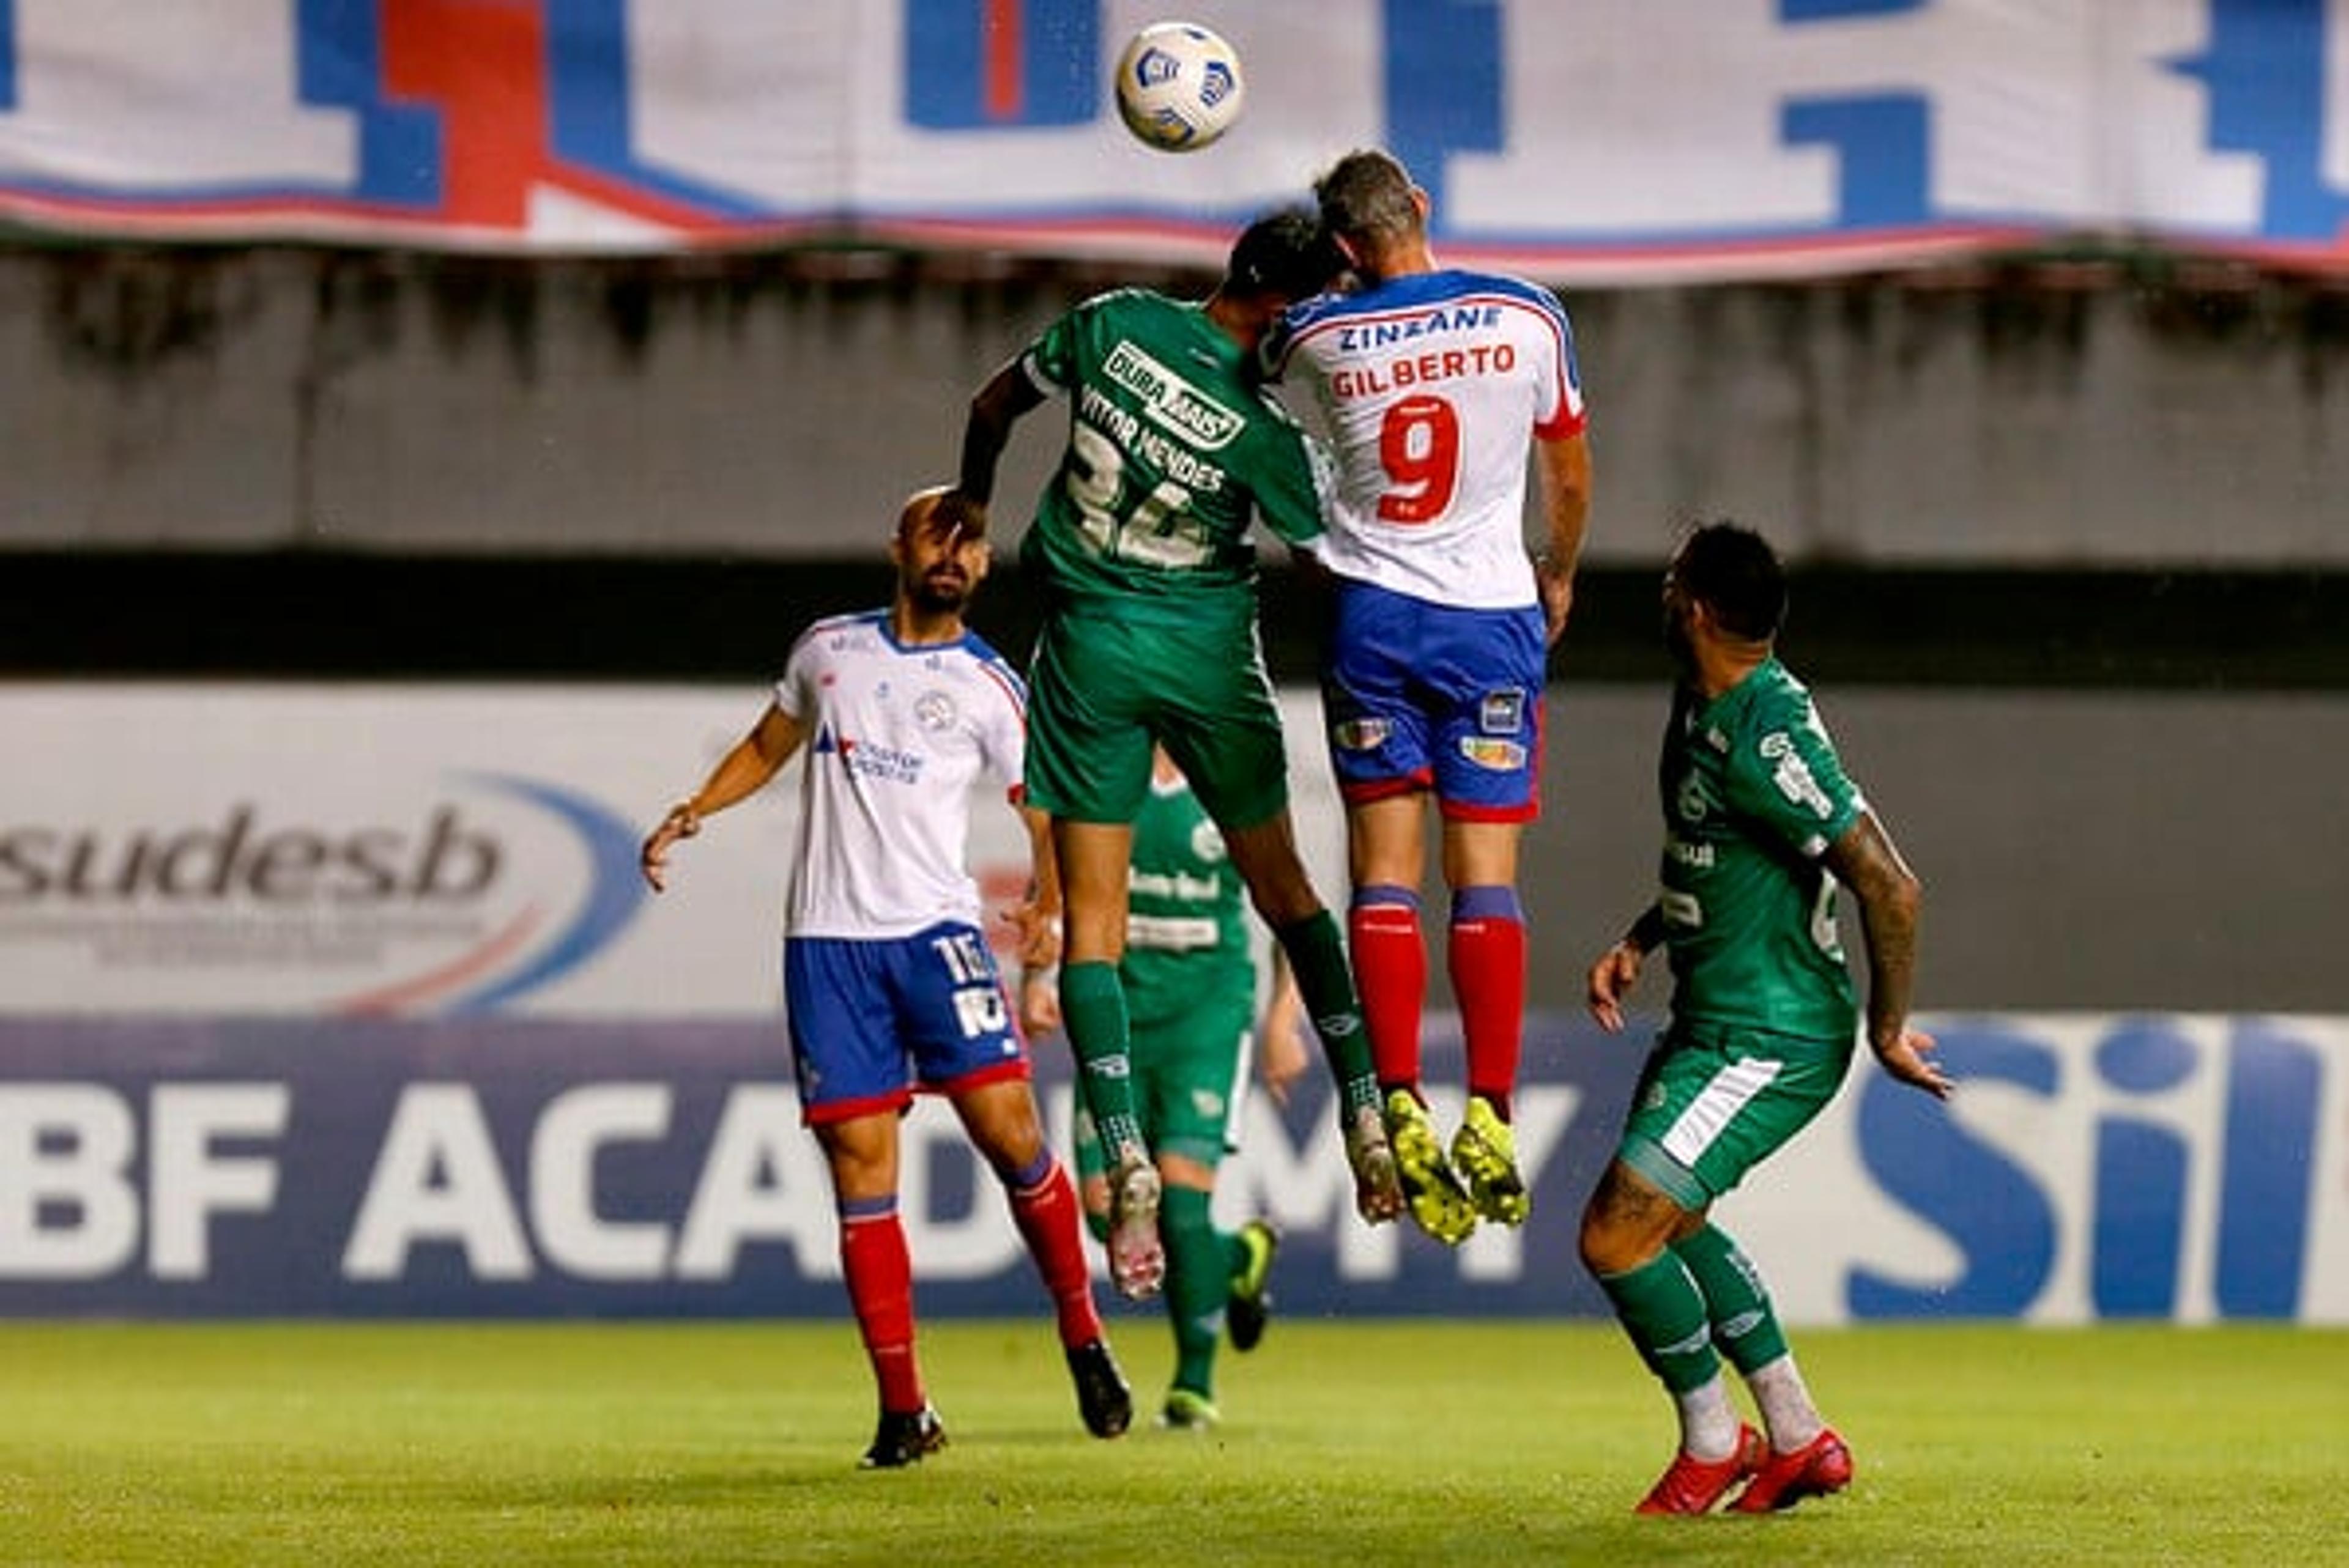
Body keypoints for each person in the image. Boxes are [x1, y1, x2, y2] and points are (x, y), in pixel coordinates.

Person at [952, 207, 1403, 1303]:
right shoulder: (1263, 432)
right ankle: (1366, 1106)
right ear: (1287, 307)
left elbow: (992, 404)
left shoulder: (1113, 324)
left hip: (1090, 650)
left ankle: (1122, 1146)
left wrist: (973, 501)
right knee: (1290, 892)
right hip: (1205, 660)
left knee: (1092, 931)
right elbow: (1331, 555)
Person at [636, 486, 1132, 1470]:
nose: (953, 552)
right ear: (897, 546)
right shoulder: (828, 650)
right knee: (862, 1178)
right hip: (828, 947)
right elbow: (771, 742)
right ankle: (905, 1410)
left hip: (934, 936)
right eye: (936, 534)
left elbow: (1042, 807)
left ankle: (1082, 1332)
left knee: (1012, 1137)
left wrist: (1046, 895)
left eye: (971, 540)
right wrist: (697, 807)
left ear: (985, 566)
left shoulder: (990, 684)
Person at [1579, 520, 1953, 1515]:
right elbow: (1723, 851)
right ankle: (1796, 1434)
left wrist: (1887, 1026)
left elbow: (1892, 885)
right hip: (1711, 1015)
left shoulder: (1763, 730)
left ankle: (1715, 1436)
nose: (1659, 595)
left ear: (1696, 609)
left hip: (1767, 1035)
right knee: (1677, 1213)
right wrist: (1642, 937)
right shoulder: (1707, 702)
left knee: (1616, 1236)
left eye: (1670, 583)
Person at [1266, 147, 1595, 1247]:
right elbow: (1569, 465)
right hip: (1491, 620)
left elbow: (1245, 362)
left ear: (1347, 246)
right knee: (1486, 878)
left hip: (1373, 621)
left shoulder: (1316, 332)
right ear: (1424, 208)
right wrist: (1560, 564)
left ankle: (1398, 1090)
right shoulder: (1527, 314)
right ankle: (1491, 1111)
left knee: (1385, 876)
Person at [1019, 745, 1310, 1430]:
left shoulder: (1232, 777)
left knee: (1178, 1212)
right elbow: (1054, 889)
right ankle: (1240, 1255)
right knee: (1105, 1214)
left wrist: (1281, 1019)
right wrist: (1036, 981)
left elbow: (1289, 905)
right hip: (1116, 1012)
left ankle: (1193, 1382)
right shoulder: (1101, 771)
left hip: (1206, 1017)